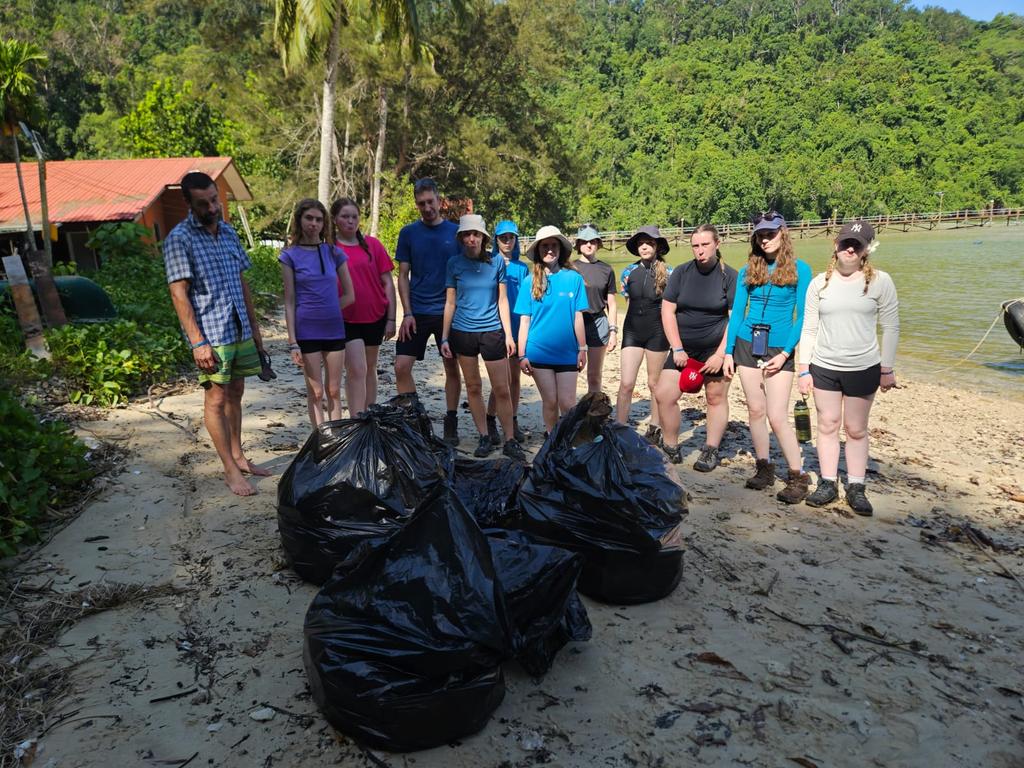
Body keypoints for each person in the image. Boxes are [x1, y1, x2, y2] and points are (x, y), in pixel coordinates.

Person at [163, 172, 270, 497]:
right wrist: (198, 342)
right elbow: (179, 294)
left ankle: (239, 456)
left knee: (236, 390)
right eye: (203, 203)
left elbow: (242, 281)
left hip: (238, 326)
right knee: (217, 397)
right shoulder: (179, 239)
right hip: (210, 332)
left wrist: (254, 329)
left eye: (214, 200)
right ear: (188, 203)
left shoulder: (228, 232)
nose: (212, 208)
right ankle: (228, 469)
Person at [798, 220, 899, 516]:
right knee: (827, 425)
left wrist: (887, 368)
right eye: (846, 243)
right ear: (836, 245)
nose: (850, 249)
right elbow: (809, 329)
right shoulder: (819, 284)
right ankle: (828, 482)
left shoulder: (881, 281)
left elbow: (891, 327)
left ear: (867, 250)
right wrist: (804, 369)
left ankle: (856, 486)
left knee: (855, 429)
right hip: (824, 366)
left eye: (857, 245)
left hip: (864, 366)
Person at [723, 211, 813, 503]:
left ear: (783, 234)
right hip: (747, 343)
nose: (765, 239)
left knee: (777, 416)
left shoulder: (801, 269)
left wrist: (787, 352)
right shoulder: (747, 270)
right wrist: (728, 352)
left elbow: (803, 316)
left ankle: (798, 475)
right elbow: (738, 313)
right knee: (755, 410)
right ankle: (764, 467)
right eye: (760, 235)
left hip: (779, 348)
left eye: (771, 234)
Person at [440, 215, 525, 461]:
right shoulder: (454, 263)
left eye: (476, 234)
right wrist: (444, 338)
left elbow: (502, 300)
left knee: (502, 388)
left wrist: (509, 335)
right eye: (467, 234)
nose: (471, 239)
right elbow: (450, 302)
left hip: (492, 331)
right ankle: (484, 436)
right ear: (461, 238)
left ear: (483, 238)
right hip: (463, 331)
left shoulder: (496, 262)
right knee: (474, 387)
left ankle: (510, 439)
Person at [655, 224, 737, 469]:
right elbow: (667, 311)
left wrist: (721, 354)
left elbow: (735, 319)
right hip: (683, 348)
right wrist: (677, 348)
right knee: (664, 394)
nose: (700, 250)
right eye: (695, 246)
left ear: (717, 244)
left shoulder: (729, 276)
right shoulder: (681, 272)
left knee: (715, 397)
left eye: (705, 244)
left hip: (716, 349)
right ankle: (670, 446)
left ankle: (710, 449)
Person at [394, 178, 463, 444]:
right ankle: (413, 419)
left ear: (439, 201)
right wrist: (407, 312)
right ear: (416, 205)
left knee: (451, 366)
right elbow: (402, 275)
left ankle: (451, 419)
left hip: (448, 310)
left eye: (430, 202)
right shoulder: (408, 233)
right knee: (401, 366)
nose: (427, 208)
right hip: (417, 311)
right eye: (421, 203)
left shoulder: (456, 233)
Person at [280, 199, 355, 427]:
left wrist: (328, 309)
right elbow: (289, 300)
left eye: (318, 219)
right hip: (306, 331)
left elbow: (349, 295)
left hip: (334, 330)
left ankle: (336, 437)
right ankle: (320, 437)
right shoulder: (289, 255)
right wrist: (293, 342)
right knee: (316, 392)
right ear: (299, 220)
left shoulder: (333, 252)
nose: (313, 224)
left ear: (324, 224)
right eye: (309, 218)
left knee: (333, 390)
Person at [514, 226, 589, 433]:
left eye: (554, 245)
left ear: (560, 249)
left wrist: (582, 348)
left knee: (568, 402)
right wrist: (521, 355)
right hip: (538, 351)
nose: (549, 250)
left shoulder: (574, 279)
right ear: (538, 250)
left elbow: (578, 317)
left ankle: (568, 439)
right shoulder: (529, 281)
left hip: (567, 351)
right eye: (545, 246)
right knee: (550, 401)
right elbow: (524, 322)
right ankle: (552, 439)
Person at [332, 197, 396, 415]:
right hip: (346, 317)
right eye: (345, 216)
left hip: (375, 315)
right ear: (335, 219)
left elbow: (388, 282)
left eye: (354, 217)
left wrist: (391, 318)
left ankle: (369, 415)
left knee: (370, 368)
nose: (350, 221)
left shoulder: (373, 245)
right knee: (356, 369)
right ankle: (357, 417)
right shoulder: (330, 248)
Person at [617, 225, 672, 443]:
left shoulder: (669, 273)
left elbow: (672, 307)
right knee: (626, 383)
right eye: (641, 244)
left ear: (657, 246)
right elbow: (628, 301)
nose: (645, 247)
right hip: (632, 330)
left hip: (657, 332)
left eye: (649, 243)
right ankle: (620, 427)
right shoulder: (628, 272)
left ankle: (655, 427)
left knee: (654, 383)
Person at [485, 220, 529, 445]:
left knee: (515, 377)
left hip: (518, 325)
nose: (507, 241)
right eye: (503, 237)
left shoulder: (522, 268)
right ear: (496, 240)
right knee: (501, 379)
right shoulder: (490, 263)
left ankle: (512, 418)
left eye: (511, 237)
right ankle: (490, 418)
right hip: (497, 326)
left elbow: (528, 298)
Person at [573, 224, 618, 394]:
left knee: (594, 375)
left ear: (598, 244)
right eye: (584, 241)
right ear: (578, 245)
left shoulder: (606, 269)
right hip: (574, 322)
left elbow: (611, 303)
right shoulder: (570, 268)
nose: (589, 245)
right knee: (571, 370)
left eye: (592, 241)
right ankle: (570, 407)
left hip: (598, 322)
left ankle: (594, 406)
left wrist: (613, 331)